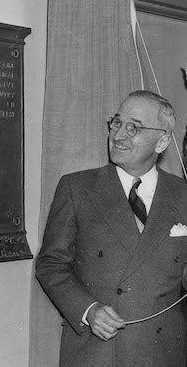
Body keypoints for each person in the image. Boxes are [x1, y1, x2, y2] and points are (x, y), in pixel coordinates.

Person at [36, 90, 187, 367]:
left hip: (164, 352)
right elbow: (50, 264)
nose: (118, 135)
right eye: (116, 123)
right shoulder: (76, 188)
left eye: (134, 128)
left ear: (162, 141)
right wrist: (88, 310)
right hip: (97, 352)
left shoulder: (183, 194)